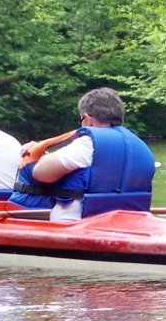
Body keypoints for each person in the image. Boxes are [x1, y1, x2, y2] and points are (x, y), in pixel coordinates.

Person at [8, 87, 156, 221]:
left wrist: (35, 155)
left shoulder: (88, 144)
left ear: (87, 119)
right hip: (129, 221)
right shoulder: (140, 146)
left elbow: (41, 173)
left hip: (79, 224)